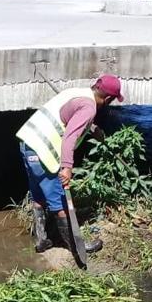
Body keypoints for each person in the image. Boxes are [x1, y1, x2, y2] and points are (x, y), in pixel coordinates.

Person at [16, 74, 124, 253]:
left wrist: (91, 127)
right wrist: (67, 167)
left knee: (38, 195)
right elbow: (69, 136)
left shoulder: (77, 92)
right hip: (44, 151)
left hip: (28, 143)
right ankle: (77, 247)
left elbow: (67, 114)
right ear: (109, 99)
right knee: (60, 201)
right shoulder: (89, 108)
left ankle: (41, 240)